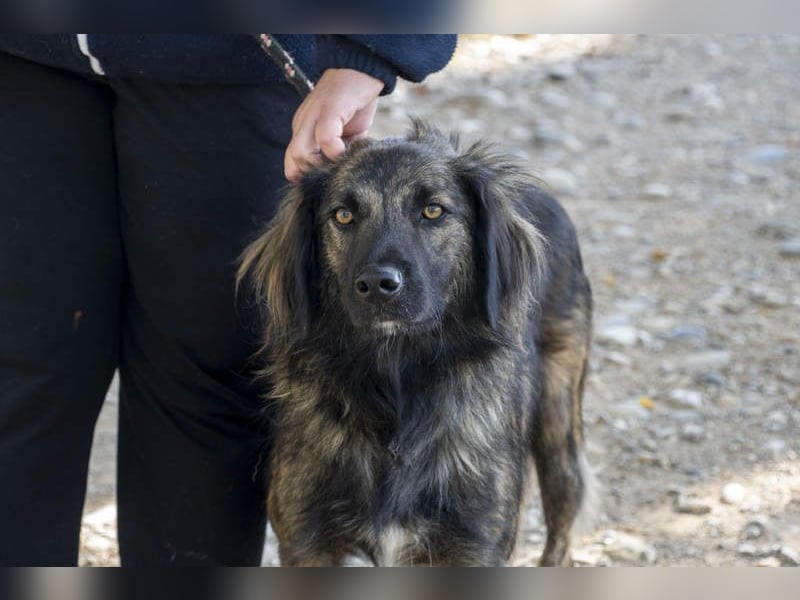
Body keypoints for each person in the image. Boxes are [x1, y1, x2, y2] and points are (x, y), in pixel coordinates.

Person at [0, 33, 457, 566]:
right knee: (23, 372)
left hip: (233, 52)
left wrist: (368, 48)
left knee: (205, 375)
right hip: (21, 50)